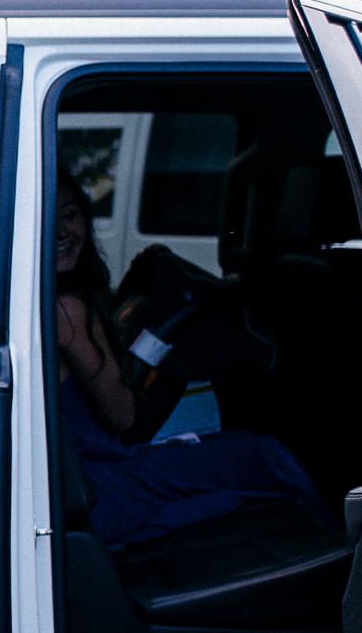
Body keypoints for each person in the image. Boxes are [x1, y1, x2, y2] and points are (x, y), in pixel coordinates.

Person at [52, 173, 325, 547]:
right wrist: (170, 369)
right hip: (104, 486)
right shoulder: (67, 311)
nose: (62, 231)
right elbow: (125, 418)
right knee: (265, 456)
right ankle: (341, 564)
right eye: (49, 218)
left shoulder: (31, 304)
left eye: (69, 215)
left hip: (79, 485)